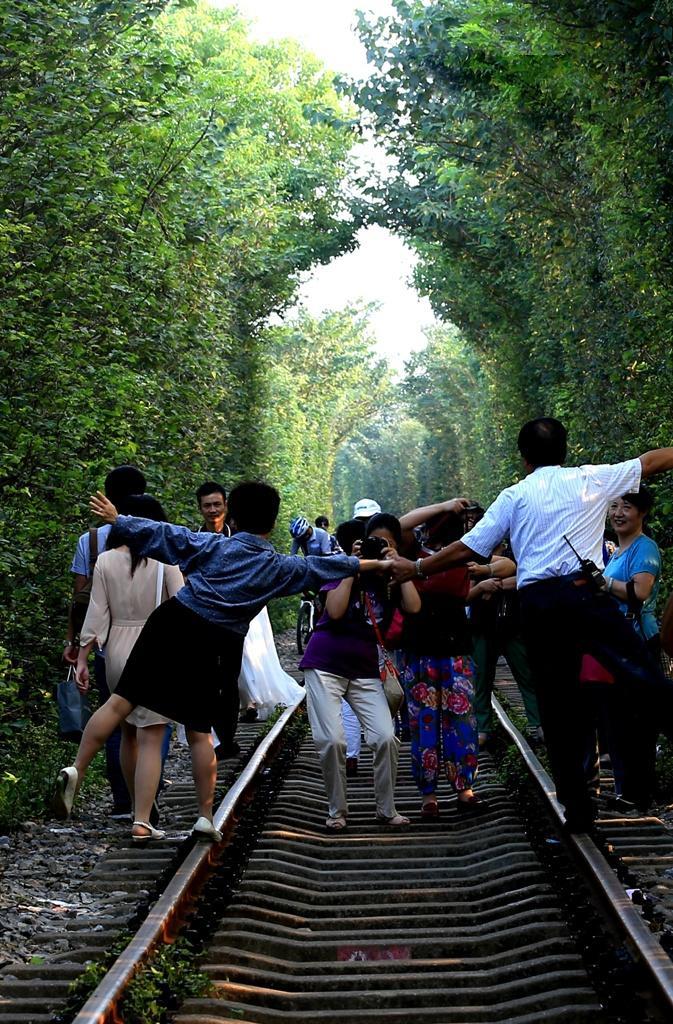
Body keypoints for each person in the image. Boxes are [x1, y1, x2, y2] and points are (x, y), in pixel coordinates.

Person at [53, 482, 390, 840]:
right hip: (216, 643)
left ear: (232, 514)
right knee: (200, 732)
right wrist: (376, 563)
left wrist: (118, 519)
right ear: (273, 525)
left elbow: (166, 535)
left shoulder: (212, 543)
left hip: (173, 620)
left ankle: (76, 768)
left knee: (120, 702)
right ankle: (204, 817)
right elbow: (324, 566)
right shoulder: (279, 567)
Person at [389, 417, 673, 832]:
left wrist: (416, 567)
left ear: (523, 459)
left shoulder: (514, 496)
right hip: (585, 595)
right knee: (642, 675)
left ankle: (578, 812)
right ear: (566, 450)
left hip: (540, 605)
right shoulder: (589, 479)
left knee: (559, 707)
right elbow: (650, 463)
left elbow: (468, 547)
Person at [299, 514, 420, 830]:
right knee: (332, 740)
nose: (380, 548)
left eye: (387, 543)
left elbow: (414, 607)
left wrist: (397, 565)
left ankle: (386, 809)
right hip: (325, 664)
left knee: (385, 737)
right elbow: (335, 611)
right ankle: (337, 810)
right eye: (375, 543)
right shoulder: (344, 566)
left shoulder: (393, 576)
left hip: (365, 669)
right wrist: (353, 566)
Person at [75, 495, 184, 841]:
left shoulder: (105, 560)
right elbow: (181, 608)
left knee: (128, 735)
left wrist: (81, 657)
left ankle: (86, 775)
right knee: (152, 736)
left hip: (116, 650)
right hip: (155, 648)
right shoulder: (167, 560)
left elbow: (96, 616)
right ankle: (142, 818)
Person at [64, 464, 147, 819]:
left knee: (115, 718)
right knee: (153, 724)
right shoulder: (157, 536)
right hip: (151, 642)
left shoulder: (92, 541)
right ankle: (147, 797)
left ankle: (122, 801)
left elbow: (81, 597)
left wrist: (76, 645)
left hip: (106, 644)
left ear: (108, 496)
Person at [395, 502, 484, 818]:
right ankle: (428, 796)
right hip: (419, 650)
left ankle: (464, 789)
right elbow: (401, 523)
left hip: (456, 648)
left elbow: (508, 566)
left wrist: (486, 575)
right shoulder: (413, 553)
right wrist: (444, 505)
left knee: (461, 722)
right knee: (423, 723)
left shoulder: (466, 552)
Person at [582, 485, 662, 804]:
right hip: (618, 645)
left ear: (641, 512)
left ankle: (639, 793)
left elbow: (640, 592)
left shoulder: (645, 548)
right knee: (617, 719)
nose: (618, 513)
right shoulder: (618, 550)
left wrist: (604, 583)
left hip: (639, 643)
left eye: (626, 507)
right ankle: (627, 790)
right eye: (614, 506)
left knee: (637, 721)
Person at [467, 544, 543, 747]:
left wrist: (494, 585)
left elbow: (526, 578)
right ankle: (482, 728)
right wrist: (486, 585)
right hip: (482, 625)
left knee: (527, 675)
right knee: (481, 679)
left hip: (513, 625)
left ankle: (537, 723)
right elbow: (467, 588)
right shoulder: (475, 554)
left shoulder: (518, 551)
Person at [195, 479, 238, 757]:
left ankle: (228, 736)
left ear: (225, 505)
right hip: (202, 619)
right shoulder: (194, 537)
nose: (212, 510)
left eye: (217, 504)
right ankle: (213, 738)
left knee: (230, 679)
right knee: (208, 679)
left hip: (234, 620)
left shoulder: (239, 537)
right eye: (207, 505)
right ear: (200, 509)